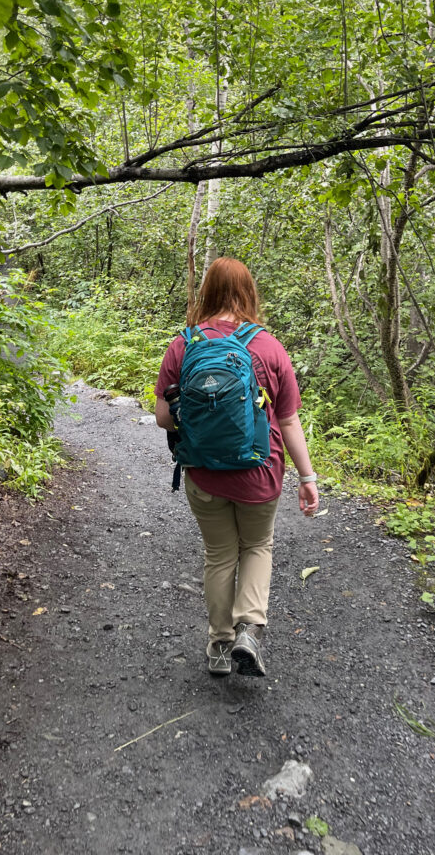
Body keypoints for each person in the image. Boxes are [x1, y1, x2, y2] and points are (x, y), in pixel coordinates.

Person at [155, 257, 319, 678]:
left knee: (219, 554)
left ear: (207, 291)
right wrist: (307, 477)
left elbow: (162, 417)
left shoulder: (184, 344)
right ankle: (250, 628)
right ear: (249, 292)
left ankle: (219, 645)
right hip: (260, 473)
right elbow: (288, 420)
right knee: (258, 546)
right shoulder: (268, 346)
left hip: (204, 472)